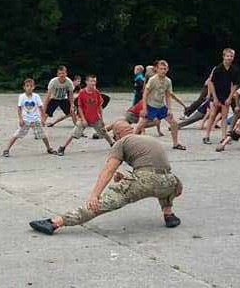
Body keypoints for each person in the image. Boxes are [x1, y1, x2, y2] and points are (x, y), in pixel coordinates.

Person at [29, 120, 183, 235]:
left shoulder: (121, 142)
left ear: (118, 134)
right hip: (170, 182)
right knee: (165, 182)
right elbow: (154, 167)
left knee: (103, 203)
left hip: (144, 181)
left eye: (114, 136)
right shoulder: (149, 139)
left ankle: (56, 222)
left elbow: (108, 170)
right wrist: (125, 177)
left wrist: (95, 195)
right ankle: (168, 214)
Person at [57, 75, 113, 156]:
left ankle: (112, 144)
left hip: (95, 118)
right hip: (84, 118)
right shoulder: (82, 93)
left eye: (94, 81)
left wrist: (101, 119)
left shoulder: (97, 92)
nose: (93, 83)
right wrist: (83, 119)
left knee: (104, 132)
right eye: (91, 81)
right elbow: (80, 107)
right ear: (86, 82)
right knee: (74, 133)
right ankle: (62, 147)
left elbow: (100, 106)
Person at [136, 60, 185, 150]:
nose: (163, 70)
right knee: (140, 125)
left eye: (164, 69)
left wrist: (169, 109)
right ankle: (130, 144)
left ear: (167, 69)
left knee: (174, 123)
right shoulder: (152, 80)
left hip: (161, 106)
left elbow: (168, 95)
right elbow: (145, 94)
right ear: (157, 69)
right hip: (151, 106)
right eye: (161, 69)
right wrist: (144, 109)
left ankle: (175, 144)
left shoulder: (168, 81)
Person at [3, 78, 57, 157]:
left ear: (34, 87)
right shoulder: (22, 96)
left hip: (35, 120)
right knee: (16, 134)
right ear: (24, 87)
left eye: (31, 86)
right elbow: (19, 108)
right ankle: (6, 150)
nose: (29, 87)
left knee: (43, 135)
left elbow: (41, 108)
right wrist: (20, 119)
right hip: (25, 120)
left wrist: (43, 119)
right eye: (27, 86)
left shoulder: (36, 96)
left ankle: (49, 148)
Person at [203, 48, 239, 145]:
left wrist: (229, 98)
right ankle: (206, 136)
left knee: (224, 117)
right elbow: (211, 83)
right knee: (212, 115)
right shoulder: (218, 69)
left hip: (226, 96)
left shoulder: (234, 70)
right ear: (223, 56)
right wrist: (214, 97)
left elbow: (235, 85)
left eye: (231, 56)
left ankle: (223, 137)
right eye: (227, 56)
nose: (229, 58)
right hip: (216, 95)